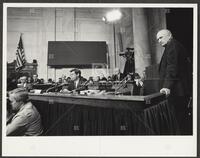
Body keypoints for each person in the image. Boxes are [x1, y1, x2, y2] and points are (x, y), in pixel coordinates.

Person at [156, 29, 192, 134]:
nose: (159, 40)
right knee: (181, 121)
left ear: (169, 36)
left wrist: (167, 86)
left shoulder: (173, 45)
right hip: (180, 91)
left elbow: (172, 67)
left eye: (161, 37)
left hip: (177, 92)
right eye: (157, 39)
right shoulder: (173, 45)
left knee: (179, 122)